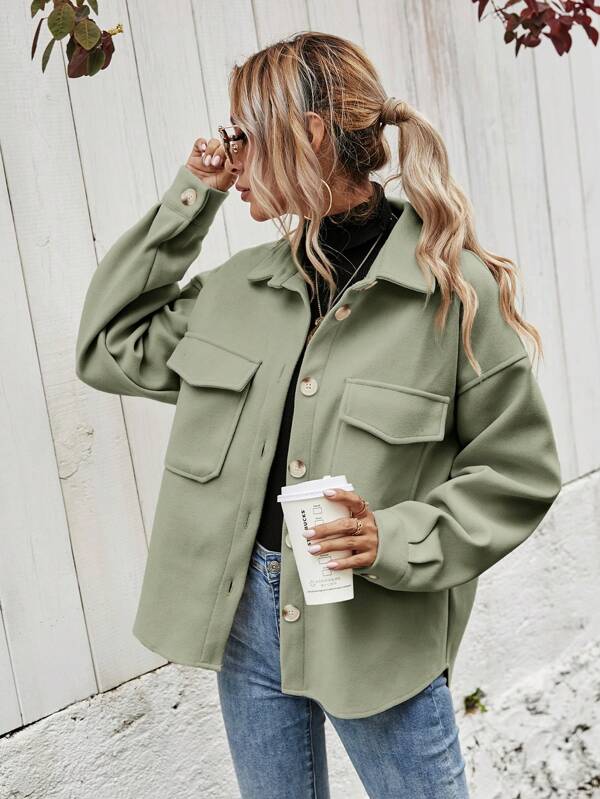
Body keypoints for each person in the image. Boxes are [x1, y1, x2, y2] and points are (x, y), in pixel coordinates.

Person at [75, 31, 562, 799]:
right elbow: (109, 344)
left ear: (308, 134)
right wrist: (192, 195)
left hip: (376, 631)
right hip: (247, 622)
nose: (229, 154)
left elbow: (518, 472)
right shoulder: (239, 290)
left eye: (243, 134)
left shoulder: (452, 295)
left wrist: (393, 536)